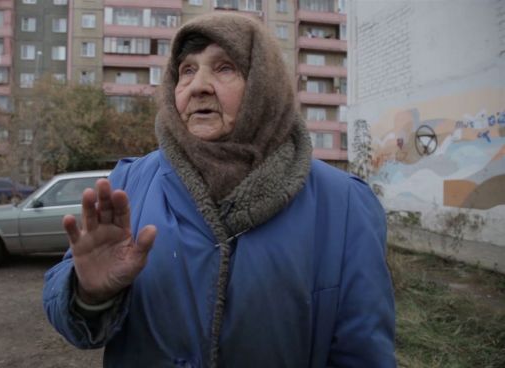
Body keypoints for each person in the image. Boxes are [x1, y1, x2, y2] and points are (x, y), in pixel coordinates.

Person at [43, 13, 395, 367]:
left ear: (264, 85)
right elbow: (71, 315)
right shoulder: (129, 183)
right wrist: (89, 295)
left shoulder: (343, 203)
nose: (199, 86)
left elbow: (363, 352)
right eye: (187, 70)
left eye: (224, 67)